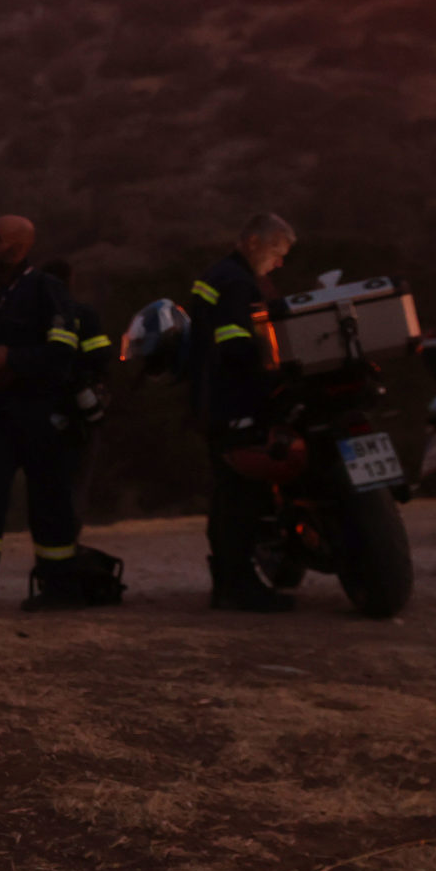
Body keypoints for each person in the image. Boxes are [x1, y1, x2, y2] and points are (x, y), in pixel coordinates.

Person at [0, 216, 87, 611]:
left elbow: (63, 351)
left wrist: (14, 359)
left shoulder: (46, 290)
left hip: (39, 417)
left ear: (18, 248)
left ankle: (60, 587)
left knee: (50, 505)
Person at [188, 213, 298, 612]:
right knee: (242, 495)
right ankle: (237, 583)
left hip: (215, 400)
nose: (279, 262)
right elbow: (235, 344)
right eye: (276, 251)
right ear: (253, 242)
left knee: (228, 495)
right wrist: (276, 364)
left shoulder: (218, 275)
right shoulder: (237, 283)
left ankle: (229, 582)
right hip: (235, 401)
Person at [40, 258, 113, 514]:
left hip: (43, 411)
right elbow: (101, 357)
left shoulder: (35, 318)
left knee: (46, 481)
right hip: (80, 414)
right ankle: (68, 529)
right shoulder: (84, 315)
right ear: (70, 280)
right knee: (78, 480)